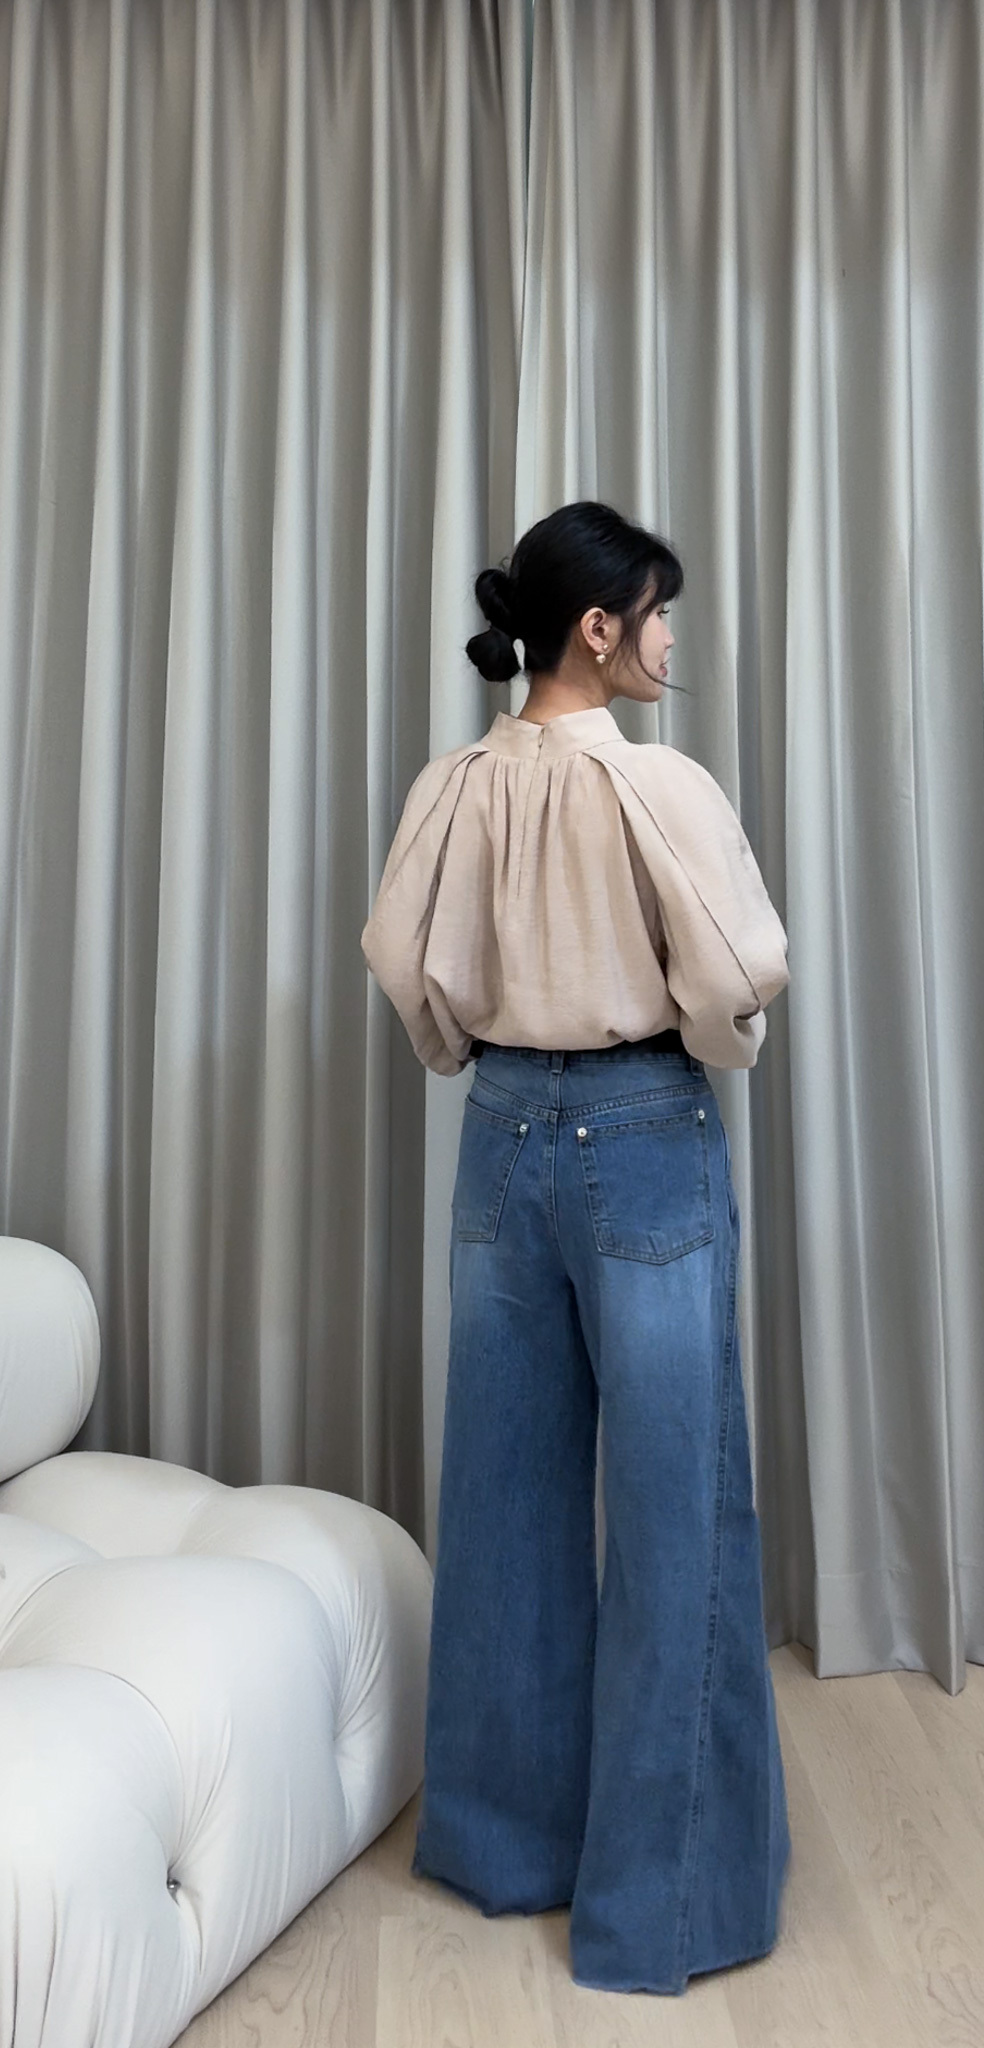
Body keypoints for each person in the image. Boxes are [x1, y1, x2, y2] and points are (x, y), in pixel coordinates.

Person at [360, 499, 792, 1995]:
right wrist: (710, 1045)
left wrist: (474, 1053)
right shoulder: (658, 786)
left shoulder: (455, 784)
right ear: (599, 631)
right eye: (657, 615)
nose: (670, 641)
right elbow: (740, 976)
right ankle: (662, 1912)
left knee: (505, 1499)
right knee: (679, 1513)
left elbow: (402, 963)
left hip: (500, 1139)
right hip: (644, 1135)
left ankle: (503, 1851)